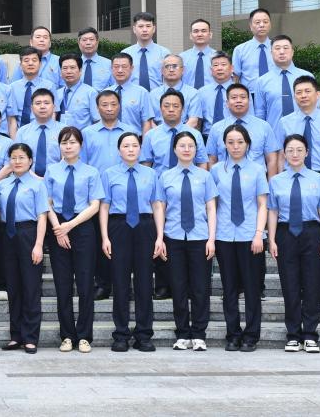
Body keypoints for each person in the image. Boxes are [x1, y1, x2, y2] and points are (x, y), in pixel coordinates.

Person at [281, 75, 320, 302]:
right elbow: (280, 154)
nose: (303, 96)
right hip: (294, 178)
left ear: (318, 94)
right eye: (298, 92)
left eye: (307, 91)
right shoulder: (285, 122)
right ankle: (298, 286)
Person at [267, 134, 320, 354]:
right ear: (284, 154)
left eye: (299, 150)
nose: (295, 154)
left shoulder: (319, 179)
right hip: (286, 234)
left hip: (312, 232)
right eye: (290, 150)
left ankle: (310, 334)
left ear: (307, 152)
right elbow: (273, 211)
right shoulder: (276, 181)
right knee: (290, 285)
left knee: (313, 283)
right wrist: (272, 239)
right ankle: (293, 334)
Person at [155, 131, 218, 352]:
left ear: (196, 149)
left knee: (200, 287)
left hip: (200, 237)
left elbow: (211, 208)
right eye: (182, 145)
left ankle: (199, 333)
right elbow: (160, 208)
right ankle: (182, 333)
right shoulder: (165, 177)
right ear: (174, 149)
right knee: (178, 286)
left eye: (191, 145)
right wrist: (160, 237)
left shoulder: (205, 176)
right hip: (173, 237)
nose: (186, 149)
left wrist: (211, 238)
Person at [99, 131, 160, 352]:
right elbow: (104, 206)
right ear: (119, 150)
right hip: (118, 226)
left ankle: (144, 334)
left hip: (145, 226)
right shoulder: (109, 174)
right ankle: (121, 334)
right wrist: (105, 237)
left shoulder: (151, 174)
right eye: (126, 146)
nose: (131, 149)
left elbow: (156, 205)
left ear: (140, 149)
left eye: (134, 145)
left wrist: (159, 236)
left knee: (144, 282)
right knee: (120, 282)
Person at [210, 124, 269, 352]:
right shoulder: (216, 170)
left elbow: (262, 204)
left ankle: (251, 335)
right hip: (224, 235)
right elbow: (213, 205)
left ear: (248, 144)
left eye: (240, 142)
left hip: (249, 236)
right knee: (229, 289)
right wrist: (212, 237)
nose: (235, 146)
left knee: (252, 289)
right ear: (224, 145)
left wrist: (259, 234)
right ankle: (233, 334)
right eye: (231, 142)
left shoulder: (257, 170)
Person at [45, 127, 104, 353]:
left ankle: (84, 336)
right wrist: (58, 228)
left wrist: (70, 226)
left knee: (85, 283)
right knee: (63, 284)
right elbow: (47, 202)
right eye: (64, 142)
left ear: (81, 145)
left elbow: (95, 205)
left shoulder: (91, 172)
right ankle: (67, 335)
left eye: (72, 142)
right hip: (58, 226)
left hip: (83, 227)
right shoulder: (52, 171)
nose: (68, 146)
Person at [0, 143, 49, 353]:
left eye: (21, 157)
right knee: (13, 287)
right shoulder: (2, 185)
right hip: (6, 235)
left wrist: (38, 245)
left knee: (30, 287)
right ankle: (16, 335)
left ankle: (30, 337)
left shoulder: (38, 185)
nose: (17, 161)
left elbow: (42, 216)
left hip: (28, 233)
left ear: (30, 161)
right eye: (13, 158)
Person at [206, 84, 282, 175]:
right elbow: (212, 159)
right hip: (225, 179)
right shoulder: (216, 128)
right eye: (234, 97)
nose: (239, 101)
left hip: (257, 180)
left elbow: (271, 159)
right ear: (227, 103)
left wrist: (270, 182)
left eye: (243, 97)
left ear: (249, 101)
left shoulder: (264, 126)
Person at [252, 35, 314, 134]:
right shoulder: (262, 81)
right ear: (271, 53)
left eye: (285, 48)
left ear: (292, 52)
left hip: (304, 134)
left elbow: (316, 107)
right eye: (277, 48)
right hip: (275, 135)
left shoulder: (307, 76)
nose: (281, 52)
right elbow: (260, 113)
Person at [140, 91, 206, 171]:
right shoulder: (150, 135)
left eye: (175, 106)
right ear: (160, 109)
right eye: (166, 106)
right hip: (159, 178)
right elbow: (146, 165)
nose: (171, 109)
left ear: (182, 109)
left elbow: (201, 162)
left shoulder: (195, 134)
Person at [14, 88, 63, 177]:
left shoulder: (64, 131)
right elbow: (17, 160)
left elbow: (67, 159)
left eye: (46, 103)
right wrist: (35, 178)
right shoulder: (22, 132)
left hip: (57, 179)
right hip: (28, 179)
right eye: (38, 103)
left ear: (54, 107)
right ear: (31, 108)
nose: (42, 106)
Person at [105, 53, 156, 134]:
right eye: (116, 67)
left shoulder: (142, 93)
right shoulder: (105, 93)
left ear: (132, 68)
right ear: (111, 68)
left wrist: (144, 142)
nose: (120, 70)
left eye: (124, 67)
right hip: (109, 137)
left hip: (134, 138)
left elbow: (146, 122)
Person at [6, 48, 52, 136]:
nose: (30, 63)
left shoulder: (49, 86)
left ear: (40, 64)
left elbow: (52, 115)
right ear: (20, 65)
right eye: (26, 60)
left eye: (34, 60)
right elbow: (12, 118)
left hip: (43, 132)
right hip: (19, 133)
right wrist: (15, 141)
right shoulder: (12, 87)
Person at [188, 52, 238, 133]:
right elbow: (198, 120)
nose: (219, 68)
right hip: (207, 136)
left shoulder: (240, 90)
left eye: (223, 64)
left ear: (232, 68)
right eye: (215, 65)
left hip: (233, 135)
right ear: (211, 70)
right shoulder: (201, 92)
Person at [121, 12, 170, 90]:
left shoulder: (164, 53)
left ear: (154, 29)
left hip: (158, 95)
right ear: (134, 29)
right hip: (133, 95)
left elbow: (169, 78)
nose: (144, 30)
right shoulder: (125, 53)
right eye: (141, 26)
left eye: (148, 26)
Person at [232, 8, 276, 90]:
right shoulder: (240, 50)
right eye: (257, 22)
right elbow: (235, 77)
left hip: (274, 93)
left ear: (270, 25)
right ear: (251, 26)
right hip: (250, 94)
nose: (262, 25)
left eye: (265, 22)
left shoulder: (278, 48)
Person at [149, 55, 198, 125]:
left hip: (185, 131)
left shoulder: (193, 93)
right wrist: (160, 132)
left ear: (183, 70)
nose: (171, 70)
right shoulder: (153, 94)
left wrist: (179, 132)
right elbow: (150, 121)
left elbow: (193, 121)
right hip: (158, 131)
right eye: (167, 66)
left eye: (175, 66)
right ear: (162, 71)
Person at [56, 54, 99, 130]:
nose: (68, 71)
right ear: (60, 72)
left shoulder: (91, 93)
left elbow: (97, 121)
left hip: (82, 136)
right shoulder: (57, 94)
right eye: (65, 68)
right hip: (59, 136)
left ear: (80, 71)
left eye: (72, 68)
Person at [179, 19, 218, 91]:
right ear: (191, 35)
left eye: (204, 31)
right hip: (187, 96)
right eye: (196, 31)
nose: (200, 34)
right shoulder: (181, 58)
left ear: (210, 35)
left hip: (212, 96)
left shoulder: (219, 57)